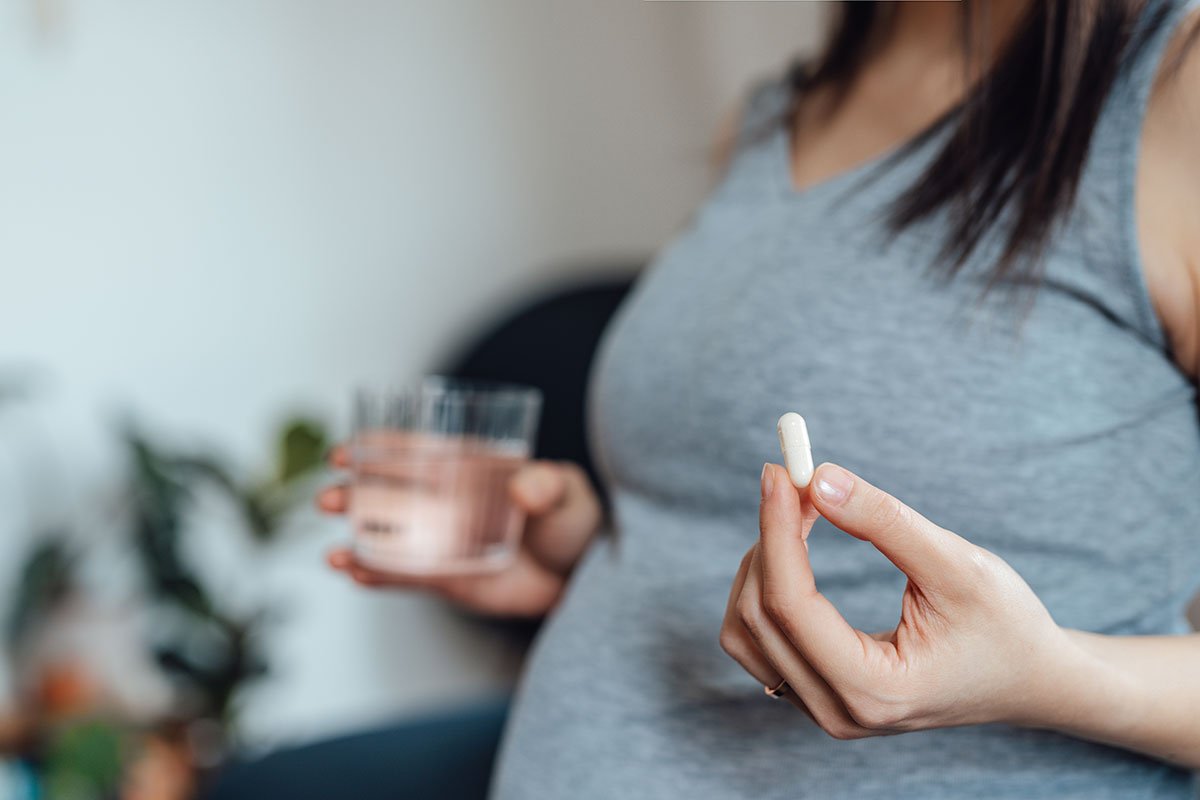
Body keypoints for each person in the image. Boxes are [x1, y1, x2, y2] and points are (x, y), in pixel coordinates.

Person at [319, 0, 1200, 796]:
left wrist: (1047, 676)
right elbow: (756, 565)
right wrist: (584, 554)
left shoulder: (1177, 90)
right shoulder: (767, 121)